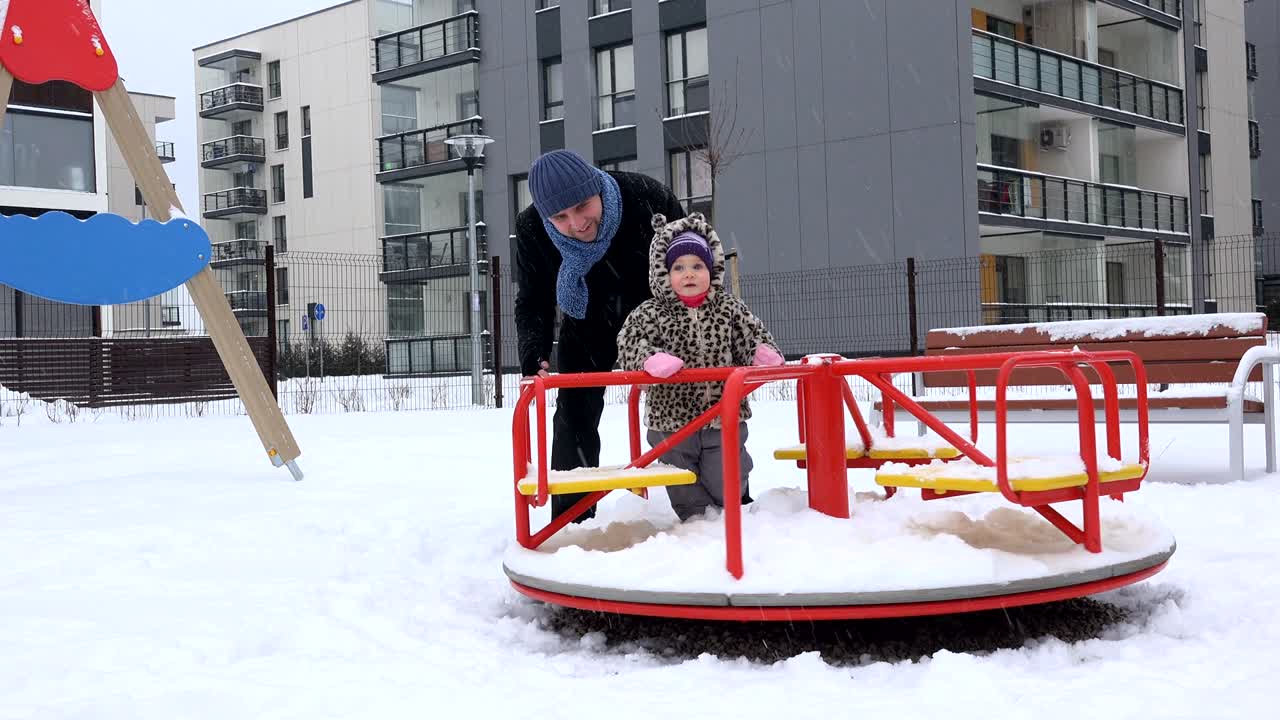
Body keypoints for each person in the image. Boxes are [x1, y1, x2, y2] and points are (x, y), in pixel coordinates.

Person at [514, 150, 686, 524]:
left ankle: (713, 506)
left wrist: (694, 328)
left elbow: (695, 264)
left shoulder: (645, 197)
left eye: (582, 206)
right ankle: (571, 520)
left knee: (694, 401)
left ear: (597, 189)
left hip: (656, 321)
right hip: (586, 324)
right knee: (574, 413)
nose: (576, 223)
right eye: (559, 216)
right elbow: (533, 301)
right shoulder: (531, 230)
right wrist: (534, 353)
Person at [616, 212, 785, 521]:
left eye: (698, 266)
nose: (689, 274)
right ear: (664, 273)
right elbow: (629, 341)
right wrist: (650, 359)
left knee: (728, 477)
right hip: (671, 421)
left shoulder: (728, 307)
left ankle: (733, 517)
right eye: (678, 267)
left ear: (712, 269)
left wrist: (760, 351)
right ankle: (694, 527)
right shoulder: (652, 312)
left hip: (723, 414)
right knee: (683, 485)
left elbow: (750, 333)